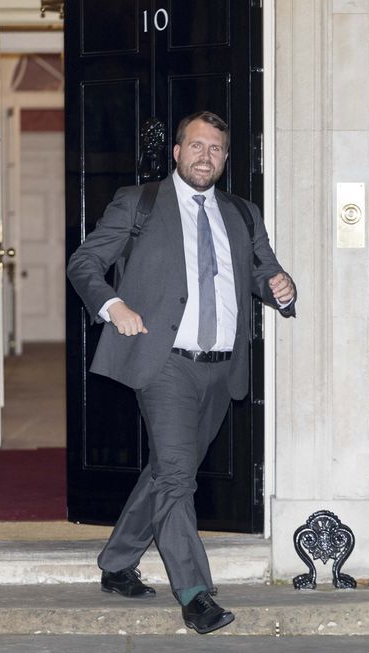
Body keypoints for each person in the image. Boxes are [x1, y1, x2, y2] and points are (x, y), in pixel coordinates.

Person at [67, 110, 296, 634]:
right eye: (196, 146)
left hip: (220, 367)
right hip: (164, 362)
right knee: (175, 476)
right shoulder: (140, 202)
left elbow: (264, 270)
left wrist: (281, 288)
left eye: (215, 149)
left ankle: (117, 564)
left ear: (225, 158)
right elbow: (84, 263)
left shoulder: (242, 213)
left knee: (170, 474)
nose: (205, 156)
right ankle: (196, 595)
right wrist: (113, 305)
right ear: (177, 151)